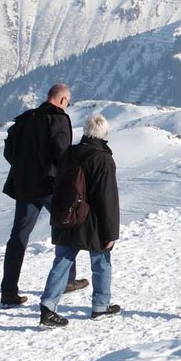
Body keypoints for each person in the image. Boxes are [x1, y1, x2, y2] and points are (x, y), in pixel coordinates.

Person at [0, 83, 83, 307]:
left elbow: (9, 151)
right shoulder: (58, 119)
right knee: (67, 227)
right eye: (68, 102)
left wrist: (23, 170)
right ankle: (67, 280)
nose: (67, 106)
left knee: (18, 236)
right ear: (62, 100)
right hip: (49, 186)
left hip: (24, 187)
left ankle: (8, 291)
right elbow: (63, 155)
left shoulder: (25, 119)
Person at [39, 113, 121, 327]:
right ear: (104, 133)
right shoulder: (103, 159)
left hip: (66, 216)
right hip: (92, 222)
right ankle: (100, 306)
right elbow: (108, 198)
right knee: (101, 263)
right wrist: (111, 232)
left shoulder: (70, 153)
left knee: (62, 261)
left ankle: (48, 307)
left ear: (85, 131)